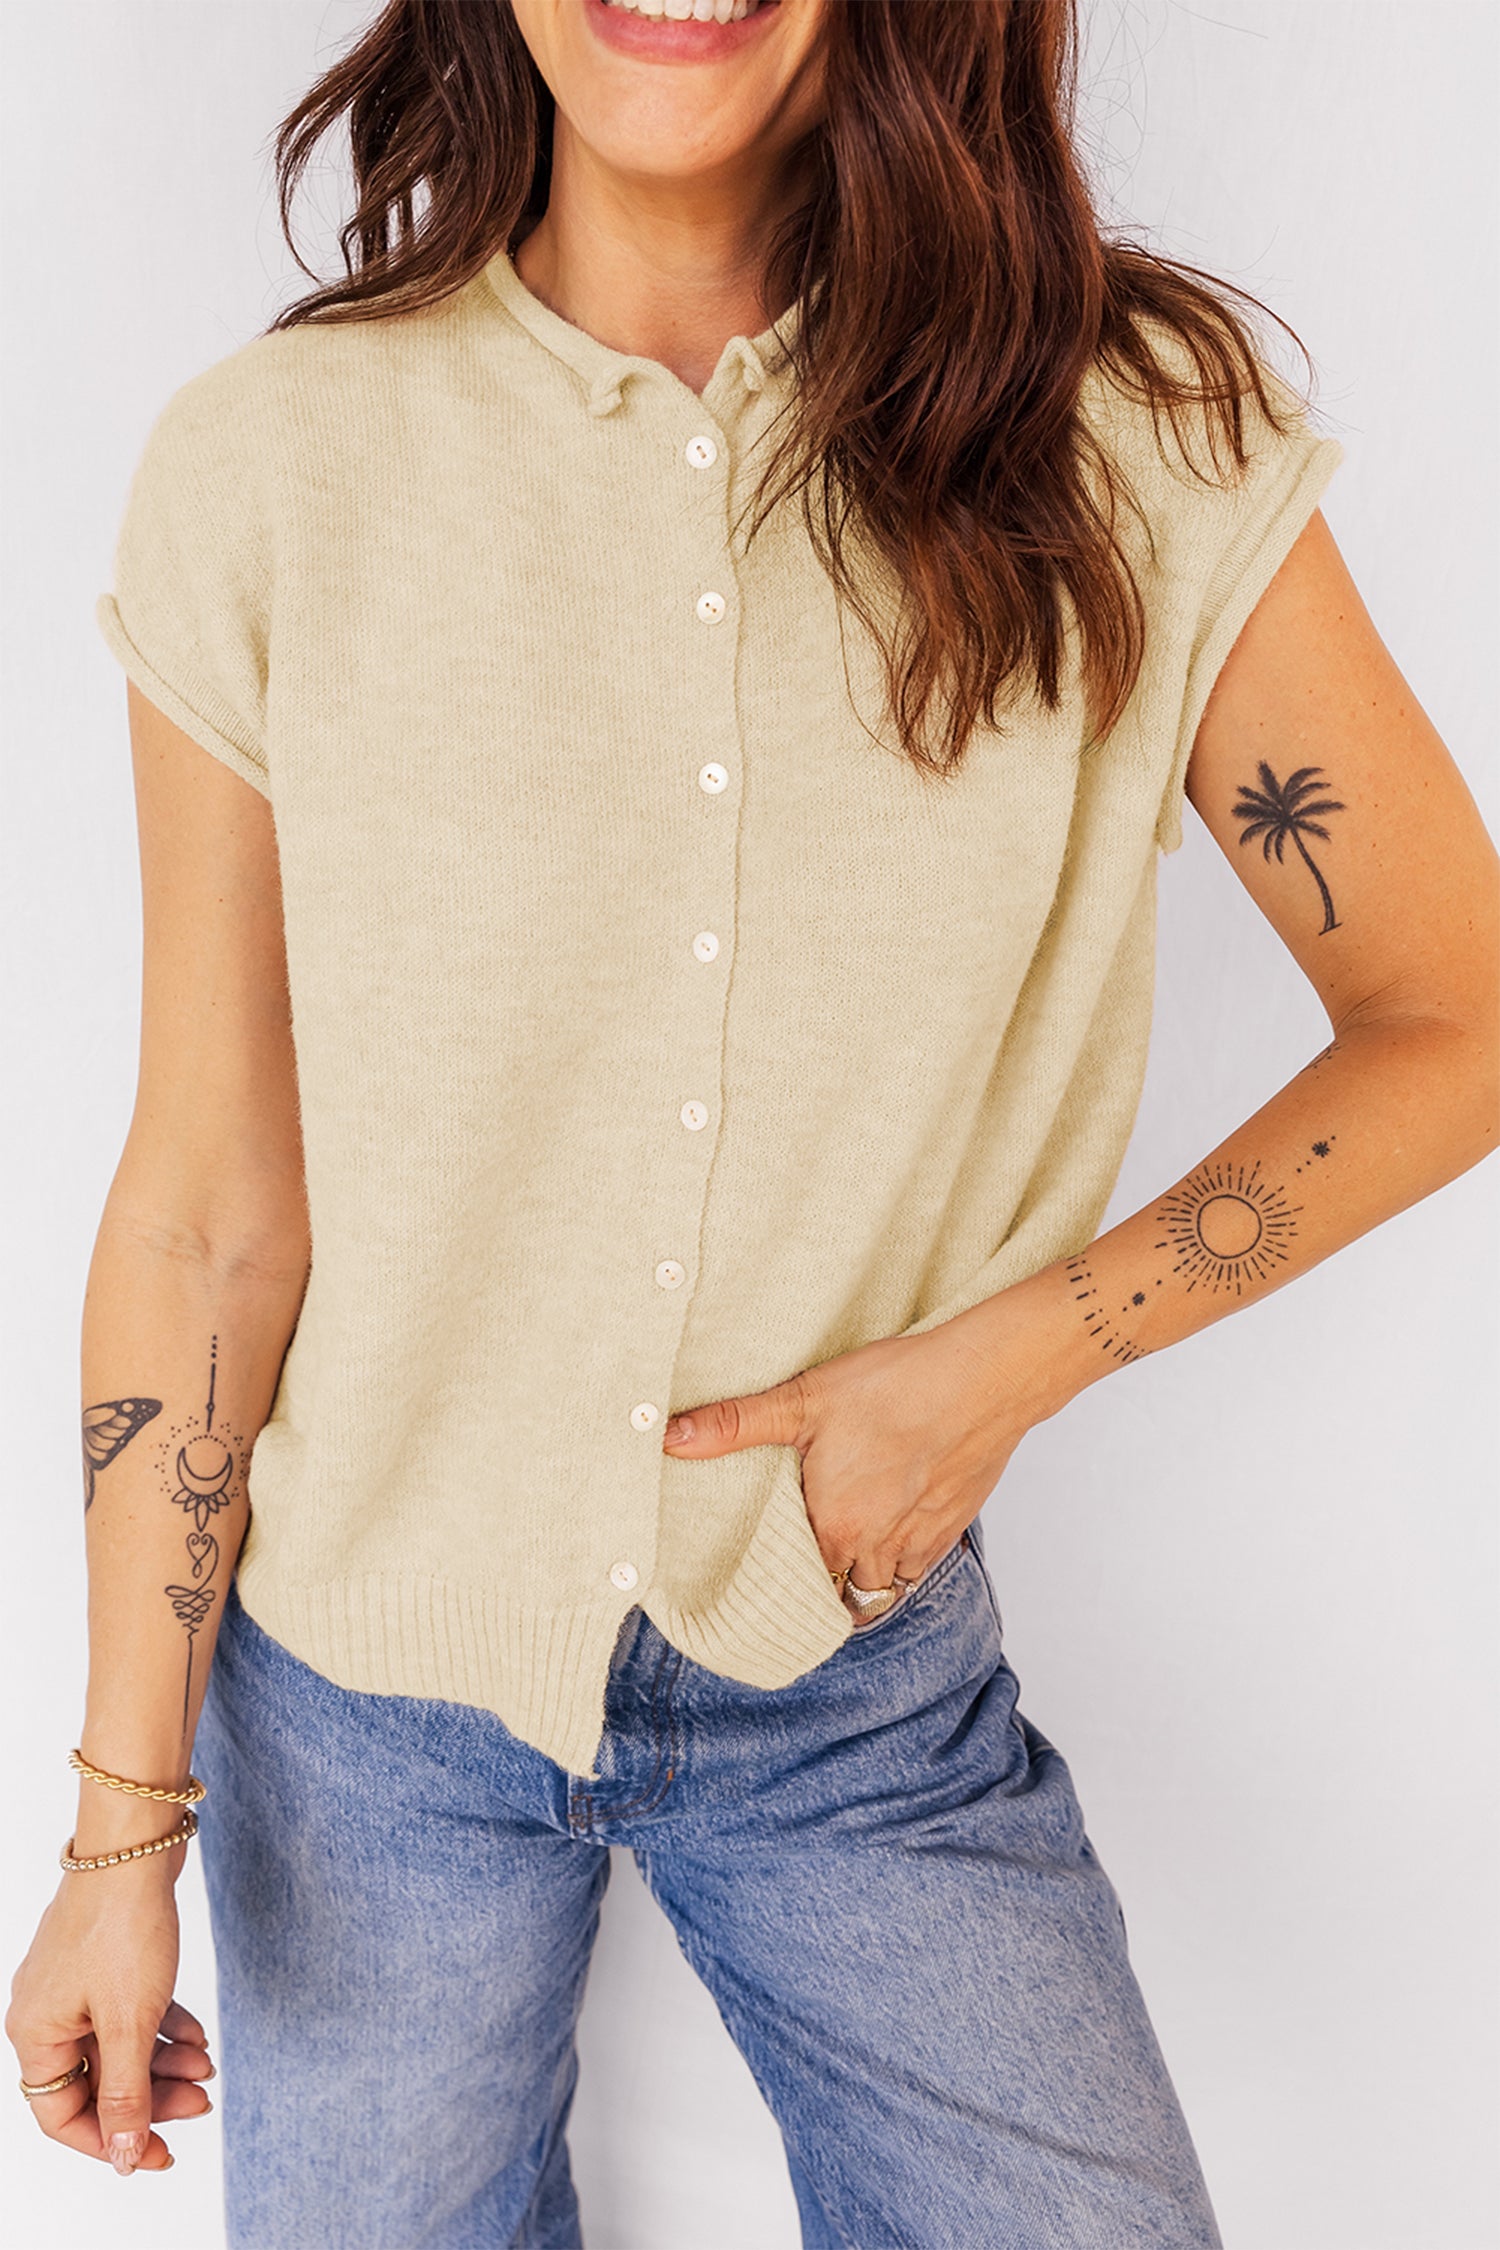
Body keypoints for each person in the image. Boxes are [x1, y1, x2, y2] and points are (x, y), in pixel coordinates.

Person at [9, 0, 1497, 2243]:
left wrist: (1006, 1367)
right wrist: (121, 1829)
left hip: (854, 1669)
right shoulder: (277, 465)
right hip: (359, 1715)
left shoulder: (1132, 439)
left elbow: (1453, 1010)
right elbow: (207, 1212)